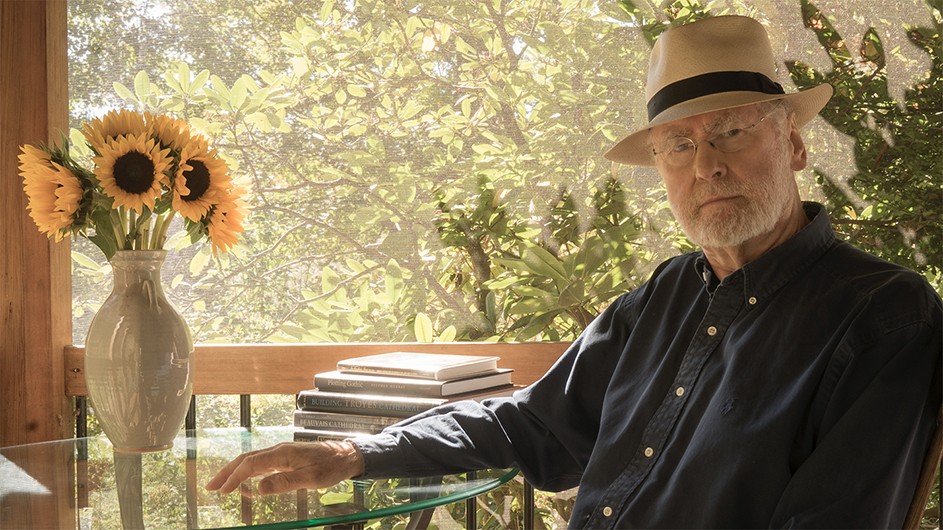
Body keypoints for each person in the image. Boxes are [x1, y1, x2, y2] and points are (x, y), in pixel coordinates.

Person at [207, 15, 942, 528]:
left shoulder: (884, 315)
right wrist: (351, 453)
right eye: (677, 146)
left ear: (793, 146)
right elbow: (533, 425)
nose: (707, 164)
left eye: (731, 131)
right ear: (660, 168)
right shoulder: (662, 297)